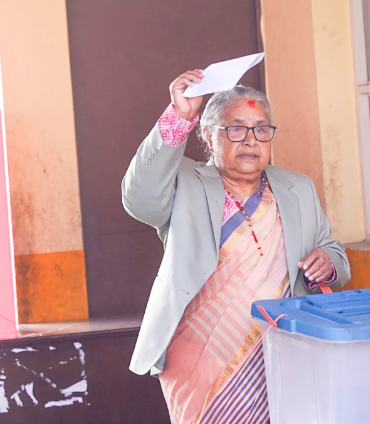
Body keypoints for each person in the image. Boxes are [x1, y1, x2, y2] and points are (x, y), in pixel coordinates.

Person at [121, 68, 350, 424]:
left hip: (283, 352)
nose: (250, 141)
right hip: (201, 359)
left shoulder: (298, 188)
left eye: (261, 129)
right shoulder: (184, 183)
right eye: (236, 129)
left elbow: (332, 250)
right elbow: (140, 200)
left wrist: (328, 262)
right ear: (209, 135)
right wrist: (179, 115)